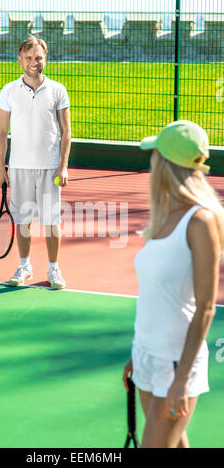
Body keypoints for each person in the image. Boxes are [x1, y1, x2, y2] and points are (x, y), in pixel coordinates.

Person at [123, 120, 224, 448]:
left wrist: (182, 380)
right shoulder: (165, 216)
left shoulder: (200, 221)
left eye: (155, 156)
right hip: (147, 355)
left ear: (167, 164)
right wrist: (137, 357)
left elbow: (206, 307)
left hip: (177, 362)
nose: (151, 162)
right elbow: (153, 297)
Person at [0, 36, 71, 289]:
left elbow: (66, 132)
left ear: (45, 59)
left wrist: (63, 166)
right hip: (19, 168)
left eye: (38, 57)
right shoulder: (8, 90)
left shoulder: (58, 89)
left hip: (50, 169)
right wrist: (0, 168)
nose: (34, 62)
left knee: (51, 222)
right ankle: (25, 266)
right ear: (20, 61)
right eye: (29, 58)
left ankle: (54, 269)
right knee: (23, 221)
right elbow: (1, 131)